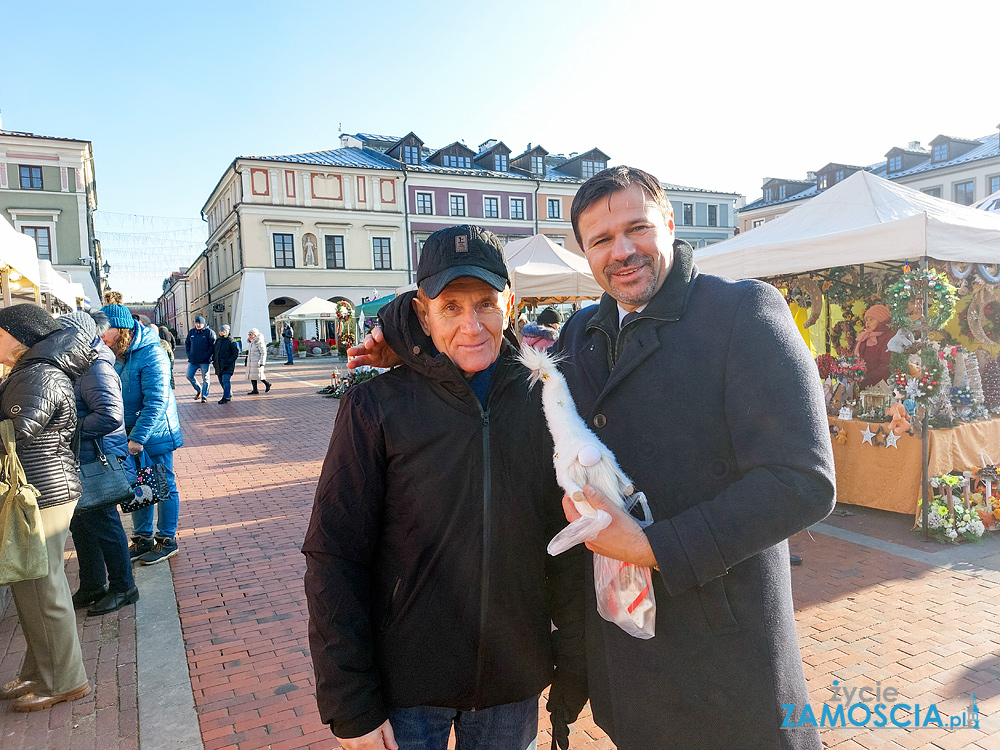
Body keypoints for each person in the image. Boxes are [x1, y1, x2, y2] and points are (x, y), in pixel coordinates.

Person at [349, 169, 837, 749]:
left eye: (637, 229)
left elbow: (801, 482)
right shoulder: (582, 332)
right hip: (630, 665)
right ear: (585, 253)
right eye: (602, 240)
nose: (623, 251)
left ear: (670, 226)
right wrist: (411, 346)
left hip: (724, 661)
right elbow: (500, 356)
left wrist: (656, 547)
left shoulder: (742, 312)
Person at [303, 225, 580, 750]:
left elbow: (565, 546)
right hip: (407, 689)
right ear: (423, 314)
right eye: (450, 307)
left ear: (511, 304)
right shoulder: (375, 407)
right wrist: (351, 702)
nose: (471, 325)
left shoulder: (544, 400)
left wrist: (573, 663)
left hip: (509, 684)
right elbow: (333, 554)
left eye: (485, 304)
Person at [0, 304, 94, 711]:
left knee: (43, 588)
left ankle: (65, 679)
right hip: (42, 488)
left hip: (40, 492)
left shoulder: (37, 373)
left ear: (19, 336)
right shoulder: (35, 369)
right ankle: (41, 670)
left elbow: (13, 432)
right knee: (33, 586)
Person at [60, 311, 140, 616]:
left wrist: (69, 430)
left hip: (98, 457)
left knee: (105, 524)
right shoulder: (81, 363)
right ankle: (93, 585)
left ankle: (124, 587)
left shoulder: (95, 366)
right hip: (85, 456)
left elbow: (109, 415)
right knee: (81, 523)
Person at [101, 304, 184, 565]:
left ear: (121, 329)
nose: (101, 335)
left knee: (164, 484)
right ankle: (142, 537)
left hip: (155, 431)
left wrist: (138, 438)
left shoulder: (151, 353)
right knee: (139, 483)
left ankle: (167, 539)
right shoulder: (117, 352)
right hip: (129, 431)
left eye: (105, 329)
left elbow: (157, 401)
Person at [854, 304, 893, 388]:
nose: (867, 323)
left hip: (881, 385)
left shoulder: (889, 337)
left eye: (871, 320)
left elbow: (886, 365)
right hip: (863, 384)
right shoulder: (863, 337)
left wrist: (867, 380)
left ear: (881, 321)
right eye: (866, 320)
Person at [185, 315, 216, 402]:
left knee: (205, 378)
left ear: (203, 323)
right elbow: (187, 344)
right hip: (193, 360)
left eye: (200, 323)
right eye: (197, 323)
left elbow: (212, 346)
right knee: (189, 375)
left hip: (204, 360)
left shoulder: (209, 332)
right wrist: (189, 354)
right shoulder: (191, 332)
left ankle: (204, 396)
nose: (198, 325)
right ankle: (199, 389)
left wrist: (207, 355)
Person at [212, 324, 239, 404]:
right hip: (219, 365)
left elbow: (235, 353)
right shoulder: (218, 341)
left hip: (227, 365)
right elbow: (215, 352)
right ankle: (229, 393)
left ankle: (226, 397)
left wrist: (229, 361)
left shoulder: (231, 341)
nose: (221, 333)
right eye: (220, 331)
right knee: (221, 381)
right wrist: (214, 361)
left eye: (223, 331)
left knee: (225, 380)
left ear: (226, 332)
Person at [245, 328, 271, 394]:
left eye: (251, 334)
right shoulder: (251, 342)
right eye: (249, 334)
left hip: (257, 361)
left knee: (259, 375)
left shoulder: (259, 342)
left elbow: (263, 352)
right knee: (252, 376)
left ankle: (267, 384)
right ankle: (255, 389)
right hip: (251, 362)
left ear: (255, 334)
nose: (249, 336)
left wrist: (262, 362)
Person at [159, 325, 176, 389]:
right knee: (170, 370)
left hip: (162, 350)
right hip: (169, 348)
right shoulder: (169, 333)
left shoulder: (159, 333)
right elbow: (173, 341)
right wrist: (173, 348)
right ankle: (172, 385)